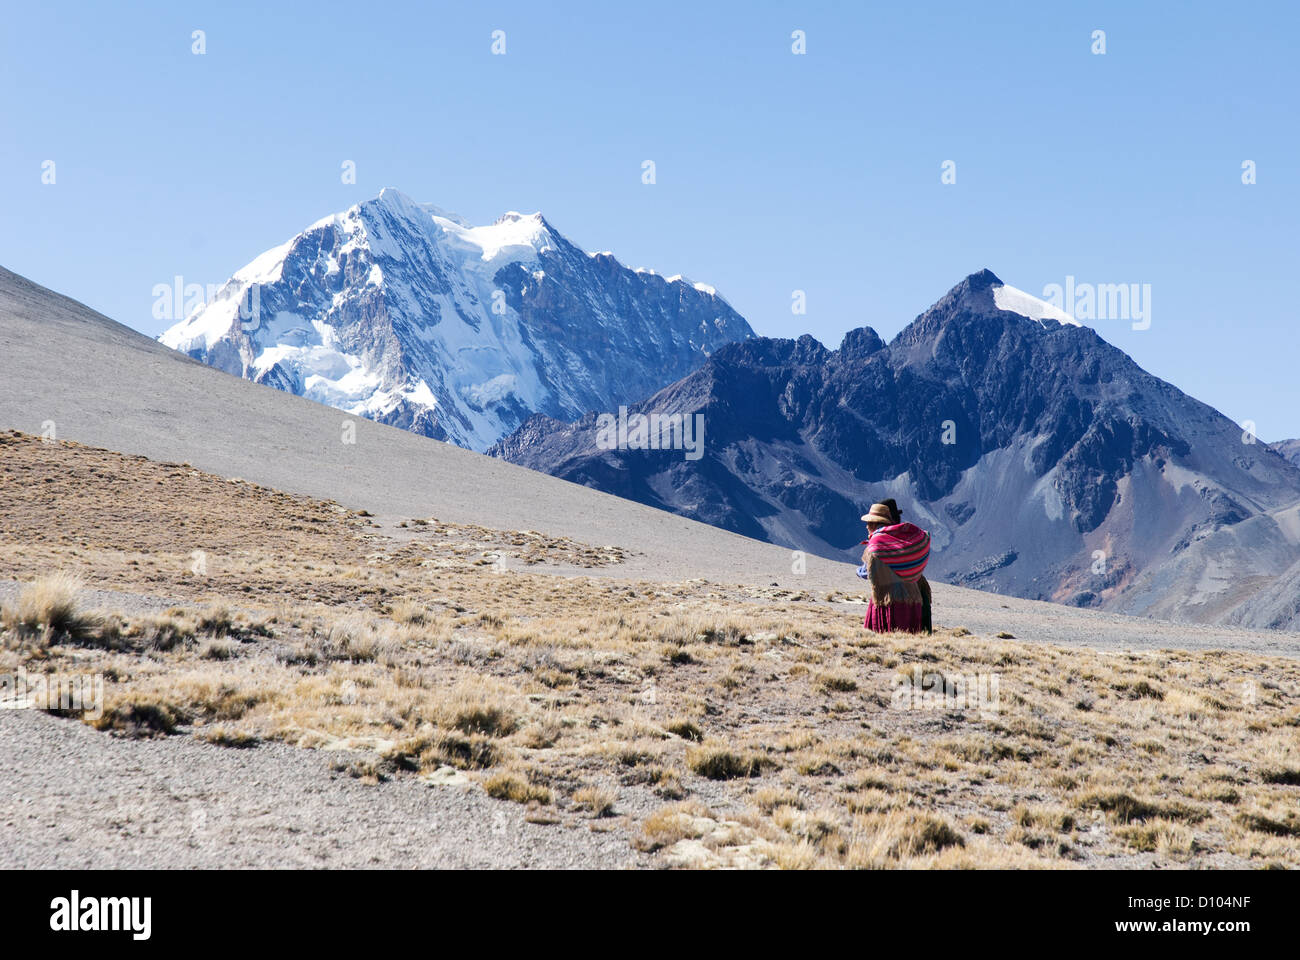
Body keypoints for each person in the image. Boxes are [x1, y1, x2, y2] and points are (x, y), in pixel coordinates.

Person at [856, 499, 932, 634]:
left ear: (875, 523)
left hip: (887, 600)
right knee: (910, 639)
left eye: (869, 523)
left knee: (884, 640)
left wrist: (858, 571)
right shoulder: (903, 539)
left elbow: (866, 572)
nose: (866, 526)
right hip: (912, 597)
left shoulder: (877, 543)